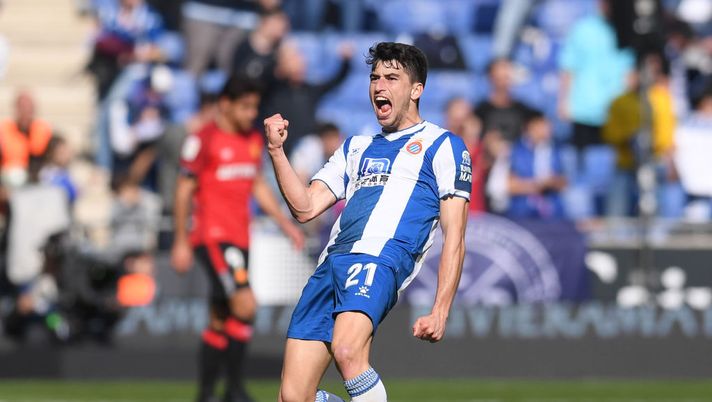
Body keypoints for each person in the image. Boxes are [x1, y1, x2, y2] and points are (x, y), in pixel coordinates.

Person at [265, 42, 471, 402]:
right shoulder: (356, 147)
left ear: (416, 89)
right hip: (329, 265)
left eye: (392, 78)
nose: (379, 86)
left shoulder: (443, 145)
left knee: (347, 351)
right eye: (375, 77)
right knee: (293, 396)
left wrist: (440, 310)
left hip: (380, 258)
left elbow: (455, 235)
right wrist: (276, 152)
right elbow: (304, 208)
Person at [171, 76, 304, 402]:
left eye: (254, 106)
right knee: (245, 305)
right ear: (225, 104)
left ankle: (205, 394)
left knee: (221, 317)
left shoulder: (250, 140)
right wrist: (180, 240)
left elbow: (258, 185)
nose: (250, 113)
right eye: (245, 106)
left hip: (240, 238)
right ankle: (234, 390)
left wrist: (286, 223)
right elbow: (184, 189)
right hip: (214, 237)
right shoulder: (203, 140)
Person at [506, 112, 567, 219]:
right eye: (543, 125)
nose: (548, 129)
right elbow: (509, 185)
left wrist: (553, 181)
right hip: (522, 211)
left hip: (551, 210)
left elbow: (564, 182)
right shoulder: (515, 151)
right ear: (531, 127)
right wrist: (538, 184)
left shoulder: (555, 150)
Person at [0, 90, 53, 189]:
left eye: (29, 108)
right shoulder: (4, 130)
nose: (26, 112)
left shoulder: (43, 129)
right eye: (22, 108)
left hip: (36, 175)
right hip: (10, 176)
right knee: (16, 176)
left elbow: (49, 155)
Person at [474, 58, 535, 143]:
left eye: (506, 77)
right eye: (500, 78)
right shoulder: (480, 111)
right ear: (491, 78)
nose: (504, 82)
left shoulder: (523, 110)